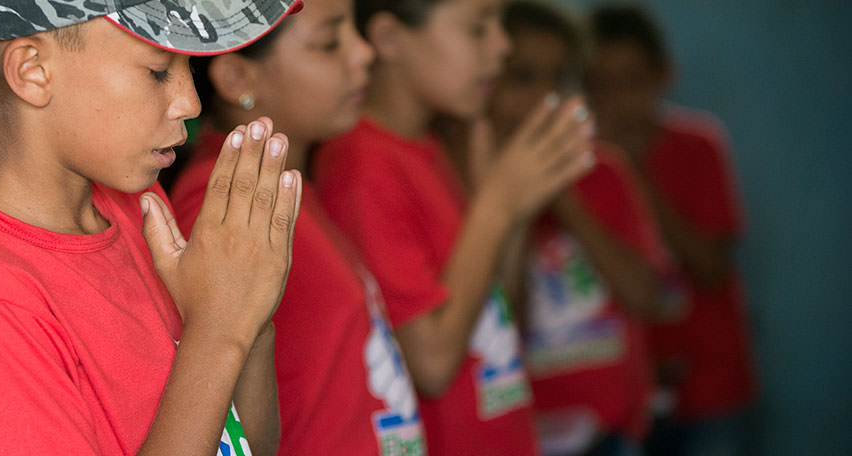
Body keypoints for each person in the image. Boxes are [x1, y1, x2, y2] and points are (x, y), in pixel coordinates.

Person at [0, 1, 306, 454]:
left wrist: (247, 314)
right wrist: (218, 332)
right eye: (157, 70)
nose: (191, 102)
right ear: (33, 70)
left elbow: (250, 445)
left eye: (188, 63)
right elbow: (215, 344)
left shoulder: (132, 203)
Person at [312, 0, 595, 453]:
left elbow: (499, 324)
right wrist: (497, 206)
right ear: (388, 40)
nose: (502, 46)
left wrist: (514, 211)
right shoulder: (360, 163)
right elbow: (433, 362)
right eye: (479, 27)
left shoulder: (426, 144)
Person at [169, 0, 425, 453]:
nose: (364, 53)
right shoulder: (222, 204)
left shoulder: (293, 188)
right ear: (237, 78)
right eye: (329, 43)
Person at [487, 1, 677, 454]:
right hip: (525, 434)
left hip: (613, 433)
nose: (545, 100)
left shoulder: (603, 171)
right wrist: (515, 203)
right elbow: (502, 330)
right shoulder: (469, 187)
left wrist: (564, 199)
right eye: (523, 77)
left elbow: (648, 296)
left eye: (559, 79)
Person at [585, 5, 756, 455]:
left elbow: (711, 266)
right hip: (627, 399)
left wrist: (632, 176)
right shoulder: (577, 171)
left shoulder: (698, 145)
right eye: (599, 84)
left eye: (631, 81)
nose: (616, 99)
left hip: (709, 388)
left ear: (663, 75)